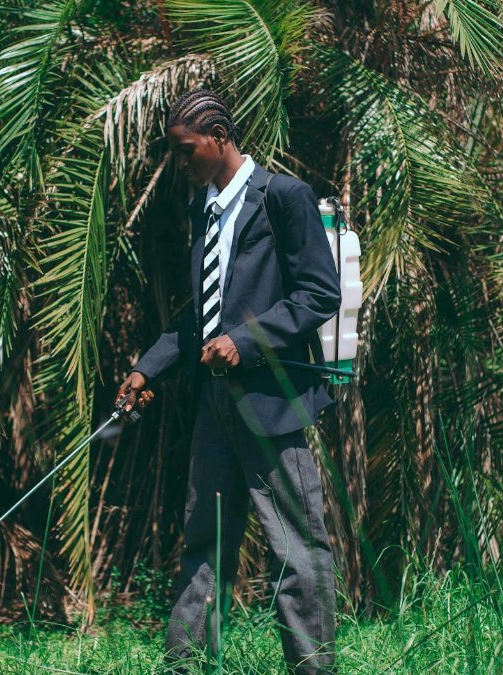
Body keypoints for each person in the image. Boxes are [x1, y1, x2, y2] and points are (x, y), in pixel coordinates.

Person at [115, 88, 341, 675]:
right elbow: (200, 314)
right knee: (204, 542)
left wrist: (243, 342)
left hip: (272, 402)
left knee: (297, 549)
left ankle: (313, 669)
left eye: (186, 150)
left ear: (217, 137)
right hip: (216, 406)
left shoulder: (284, 197)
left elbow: (319, 294)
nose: (180, 164)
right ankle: (185, 665)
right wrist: (147, 367)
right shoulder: (204, 210)